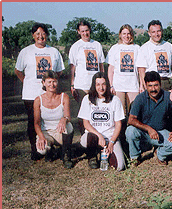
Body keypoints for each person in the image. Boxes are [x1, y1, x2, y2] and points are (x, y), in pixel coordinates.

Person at [14, 22, 64, 161]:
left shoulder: (53, 52)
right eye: (37, 34)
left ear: (47, 35)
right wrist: (27, 81)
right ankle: (34, 149)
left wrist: (50, 85)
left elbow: (59, 71)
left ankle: (50, 146)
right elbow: (18, 71)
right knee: (33, 121)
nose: (40, 36)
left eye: (43, 34)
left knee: (49, 121)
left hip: (49, 95)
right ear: (33, 35)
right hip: (31, 94)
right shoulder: (25, 52)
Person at [125, 71, 172, 166]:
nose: (153, 89)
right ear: (146, 86)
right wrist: (149, 129)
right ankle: (135, 157)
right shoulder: (140, 98)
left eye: (156, 85)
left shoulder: (168, 96)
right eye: (150, 86)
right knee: (130, 131)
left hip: (160, 132)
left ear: (160, 84)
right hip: (143, 132)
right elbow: (131, 119)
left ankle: (160, 153)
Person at [78, 72, 125, 170]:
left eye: (103, 84)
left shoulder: (115, 100)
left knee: (119, 166)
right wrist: (99, 136)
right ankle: (92, 156)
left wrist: (111, 142)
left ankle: (105, 153)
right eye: (98, 84)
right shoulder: (87, 99)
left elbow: (118, 124)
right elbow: (85, 123)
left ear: (107, 85)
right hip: (94, 137)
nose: (101, 88)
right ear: (94, 86)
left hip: (110, 137)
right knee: (88, 138)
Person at [69, 20, 105, 135]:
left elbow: (101, 65)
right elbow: (72, 68)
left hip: (96, 85)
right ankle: (84, 138)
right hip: (81, 85)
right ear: (78, 32)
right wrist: (72, 84)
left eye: (87, 30)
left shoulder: (97, 45)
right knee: (84, 113)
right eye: (82, 31)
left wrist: (104, 81)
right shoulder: (76, 46)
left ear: (90, 30)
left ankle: (96, 136)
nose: (85, 33)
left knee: (96, 112)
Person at [33, 71, 73, 168]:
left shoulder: (64, 97)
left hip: (60, 131)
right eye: (49, 82)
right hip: (46, 132)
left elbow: (68, 116)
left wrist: (64, 119)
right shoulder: (38, 100)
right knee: (41, 150)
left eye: (54, 81)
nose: (52, 85)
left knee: (68, 125)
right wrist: (41, 137)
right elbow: (36, 123)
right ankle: (52, 150)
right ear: (44, 83)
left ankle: (66, 155)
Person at [106, 24, 140, 115]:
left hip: (133, 86)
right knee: (120, 113)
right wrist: (111, 85)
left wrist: (141, 85)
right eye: (124, 33)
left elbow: (140, 69)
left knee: (133, 112)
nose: (126, 36)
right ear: (120, 35)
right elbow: (111, 69)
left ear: (132, 35)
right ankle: (121, 129)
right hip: (118, 86)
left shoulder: (137, 48)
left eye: (128, 33)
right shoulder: (115, 48)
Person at [136, 20, 172, 91]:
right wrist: (145, 86)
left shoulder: (169, 46)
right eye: (153, 32)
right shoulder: (144, 48)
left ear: (162, 31)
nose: (156, 34)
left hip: (166, 82)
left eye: (158, 31)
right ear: (149, 33)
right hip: (151, 83)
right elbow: (141, 70)